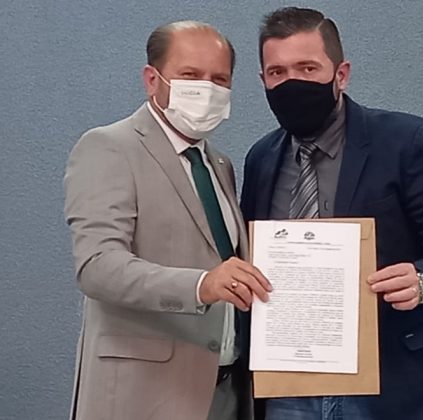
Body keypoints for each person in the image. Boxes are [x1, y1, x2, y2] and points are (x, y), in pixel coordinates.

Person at [241, 7, 423, 420]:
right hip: (290, 384)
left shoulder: (407, 141)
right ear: (263, 79)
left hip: (397, 381)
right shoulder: (261, 159)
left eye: (307, 68)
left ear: (341, 74)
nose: (291, 83)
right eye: (277, 72)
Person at [64, 21, 272, 420]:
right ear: (152, 80)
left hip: (226, 390)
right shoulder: (109, 148)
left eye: (219, 79)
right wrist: (200, 285)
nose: (206, 89)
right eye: (190, 76)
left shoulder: (219, 164)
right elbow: (97, 267)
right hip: (144, 395)